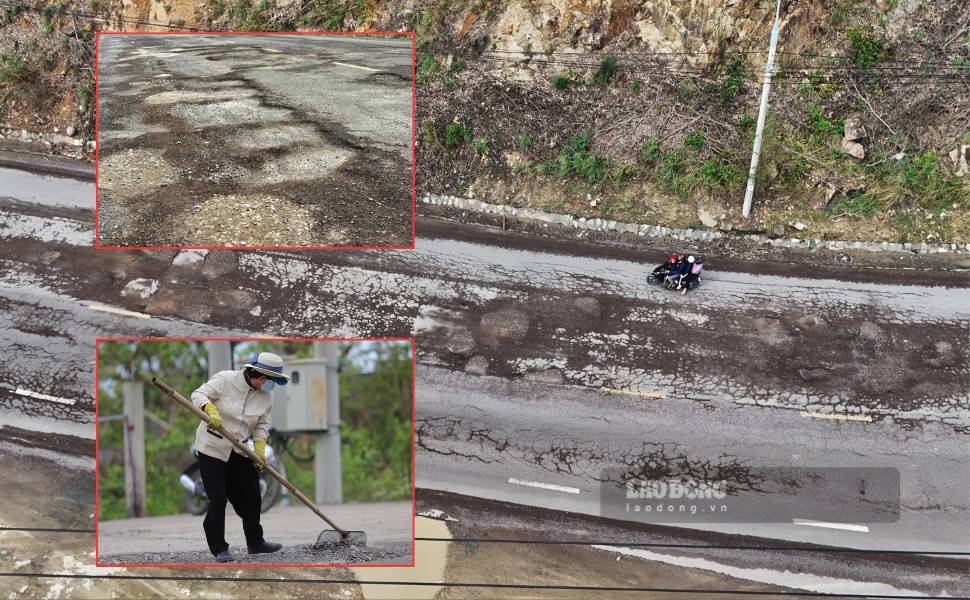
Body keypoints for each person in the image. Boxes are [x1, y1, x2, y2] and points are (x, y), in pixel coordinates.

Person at [191, 351, 290, 563]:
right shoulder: (225, 379)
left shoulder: (266, 397)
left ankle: (255, 542)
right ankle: (219, 548)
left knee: (252, 496)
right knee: (218, 498)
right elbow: (198, 394)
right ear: (260, 376)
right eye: (269, 380)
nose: (269, 384)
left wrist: (260, 448)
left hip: (240, 449)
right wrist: (210, 410)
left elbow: (262, 425)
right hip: (212, 447)